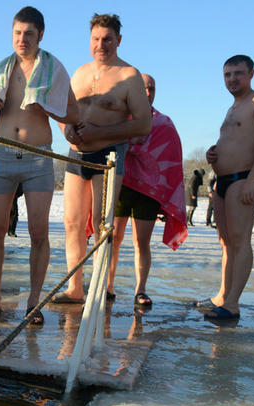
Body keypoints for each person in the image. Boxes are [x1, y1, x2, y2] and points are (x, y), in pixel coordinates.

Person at [0, 6, 77, 325]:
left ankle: (34, 301)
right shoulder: (0, 69)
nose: (22, 39)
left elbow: (71, 112)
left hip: (38, 156)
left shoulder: (54, 69)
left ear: (41, 35)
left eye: (29, 34)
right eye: (17, 33)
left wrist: (47, 105)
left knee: (37, 231)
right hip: (3, 155)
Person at [53, 13, 151, 304]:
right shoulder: (80, 72)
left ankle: (98, 286)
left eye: (107, 39)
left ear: (118, 40)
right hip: (77, 153)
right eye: (96, 39)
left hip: (109, 153)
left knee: (100, 223)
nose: (101, 44)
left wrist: (101, 130)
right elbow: (63, 111)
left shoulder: (129, 76)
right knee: (72, 222)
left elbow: (143, 124)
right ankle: (75, 288)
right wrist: (67, 129)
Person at [197, 55, 254, 321]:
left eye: (238, 73)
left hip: (243, 179)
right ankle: (222, 295)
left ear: (251, 74)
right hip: (223, 181)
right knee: (226, 242)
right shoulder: (233, 107)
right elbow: (233, 140)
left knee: (241, 241)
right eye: (227, 75)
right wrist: (214, 153)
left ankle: (232, 304)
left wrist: (253, 179)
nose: (232, 79)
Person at [106, 73, 187, 308]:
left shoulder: (163, 123)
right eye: (143, 88)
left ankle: (140, 290)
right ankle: (107, 286)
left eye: (151, 88)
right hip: (120, 184)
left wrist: (165, 194)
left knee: (142, 242)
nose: (147, 93)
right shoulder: (118, 119)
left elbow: (172, 160)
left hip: (147, 192)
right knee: (113, 238)